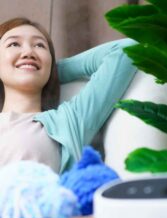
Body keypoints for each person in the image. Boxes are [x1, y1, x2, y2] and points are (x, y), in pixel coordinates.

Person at [0, 17, 137, 174]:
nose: (29, 52)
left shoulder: (69, 121)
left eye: (39, 45)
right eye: (14, 44)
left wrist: (53, 71)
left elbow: (126, 50)